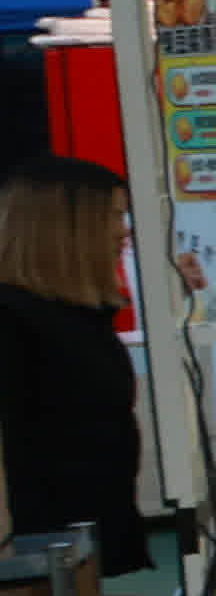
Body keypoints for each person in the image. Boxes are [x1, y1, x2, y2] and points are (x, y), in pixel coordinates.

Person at [0, 153, 147, 572]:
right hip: (43, 550)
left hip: (85, 538)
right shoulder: (12, 319)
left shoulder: (80, 315)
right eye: (114, 217)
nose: (123, 231)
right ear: (68, 228)